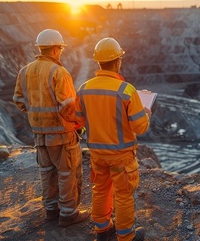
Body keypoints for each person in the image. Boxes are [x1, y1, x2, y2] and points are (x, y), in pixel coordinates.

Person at [76, 37, 151, 241]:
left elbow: (77, 120)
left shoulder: (84, 89)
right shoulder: (126, 90)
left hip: (97, 154)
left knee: (100, 189)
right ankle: (125, 237)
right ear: (118, 61)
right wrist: (146, 113)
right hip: (121, 156)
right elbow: (140, 127)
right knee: (124, 194)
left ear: (98, 62)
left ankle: (102, 230)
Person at [13, 29, 89, 227]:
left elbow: (19, 101)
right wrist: (76, 124)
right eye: (60, 49)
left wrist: (38, 116)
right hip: (62, 135)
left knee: (47, 172)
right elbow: (68, 106)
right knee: (67, 173)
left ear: (41, 49)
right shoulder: (59, 72)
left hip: (39, 134)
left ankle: (51, 210)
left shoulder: (25, 71)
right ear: (56, 49)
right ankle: (68, 214)